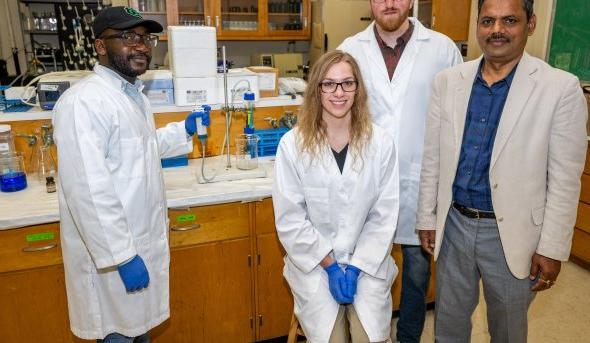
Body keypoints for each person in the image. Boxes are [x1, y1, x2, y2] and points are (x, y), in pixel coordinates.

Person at [416, 0, 588, 341]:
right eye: (488, 20)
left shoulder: (560, 88)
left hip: (512, 235)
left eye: (509, 20)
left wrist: (552, 248)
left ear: (531, 24)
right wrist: (426, 217)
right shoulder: (449, 82)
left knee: (507, 330)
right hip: (454, 226)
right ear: (478, 25)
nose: (497, 30)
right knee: (448, 326)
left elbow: (565, 181)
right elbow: (432, 156)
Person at [53, 6, 203, 342]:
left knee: (138, 333)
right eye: (127, 37)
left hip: (136, 249)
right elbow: (88, 190)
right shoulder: (84, 102)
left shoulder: (131, 96)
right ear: (100, 46)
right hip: (112, 262)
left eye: (145, 38)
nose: (141, 46)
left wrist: (183, 131)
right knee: (118, 335)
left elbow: (139, 150)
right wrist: (121, 256)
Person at [338, 1, 462, 341]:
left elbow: (456, 121)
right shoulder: (350, 50)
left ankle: (408, 338)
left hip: (420, 183)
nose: (389, 2)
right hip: (365, 182)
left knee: (417, 276)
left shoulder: (442, 50)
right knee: (363, 268)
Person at [272, 50, 399, 343]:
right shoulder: (292, 145)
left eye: (347, 83)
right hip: (316, 265)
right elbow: (291, 220)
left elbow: (384, 215)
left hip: (367, 263)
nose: (338, 93)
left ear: (358, 88)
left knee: (370, 338)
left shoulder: (380, 143)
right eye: (329, 84)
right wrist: (330, 266)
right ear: (317, 90)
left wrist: (355, 267)